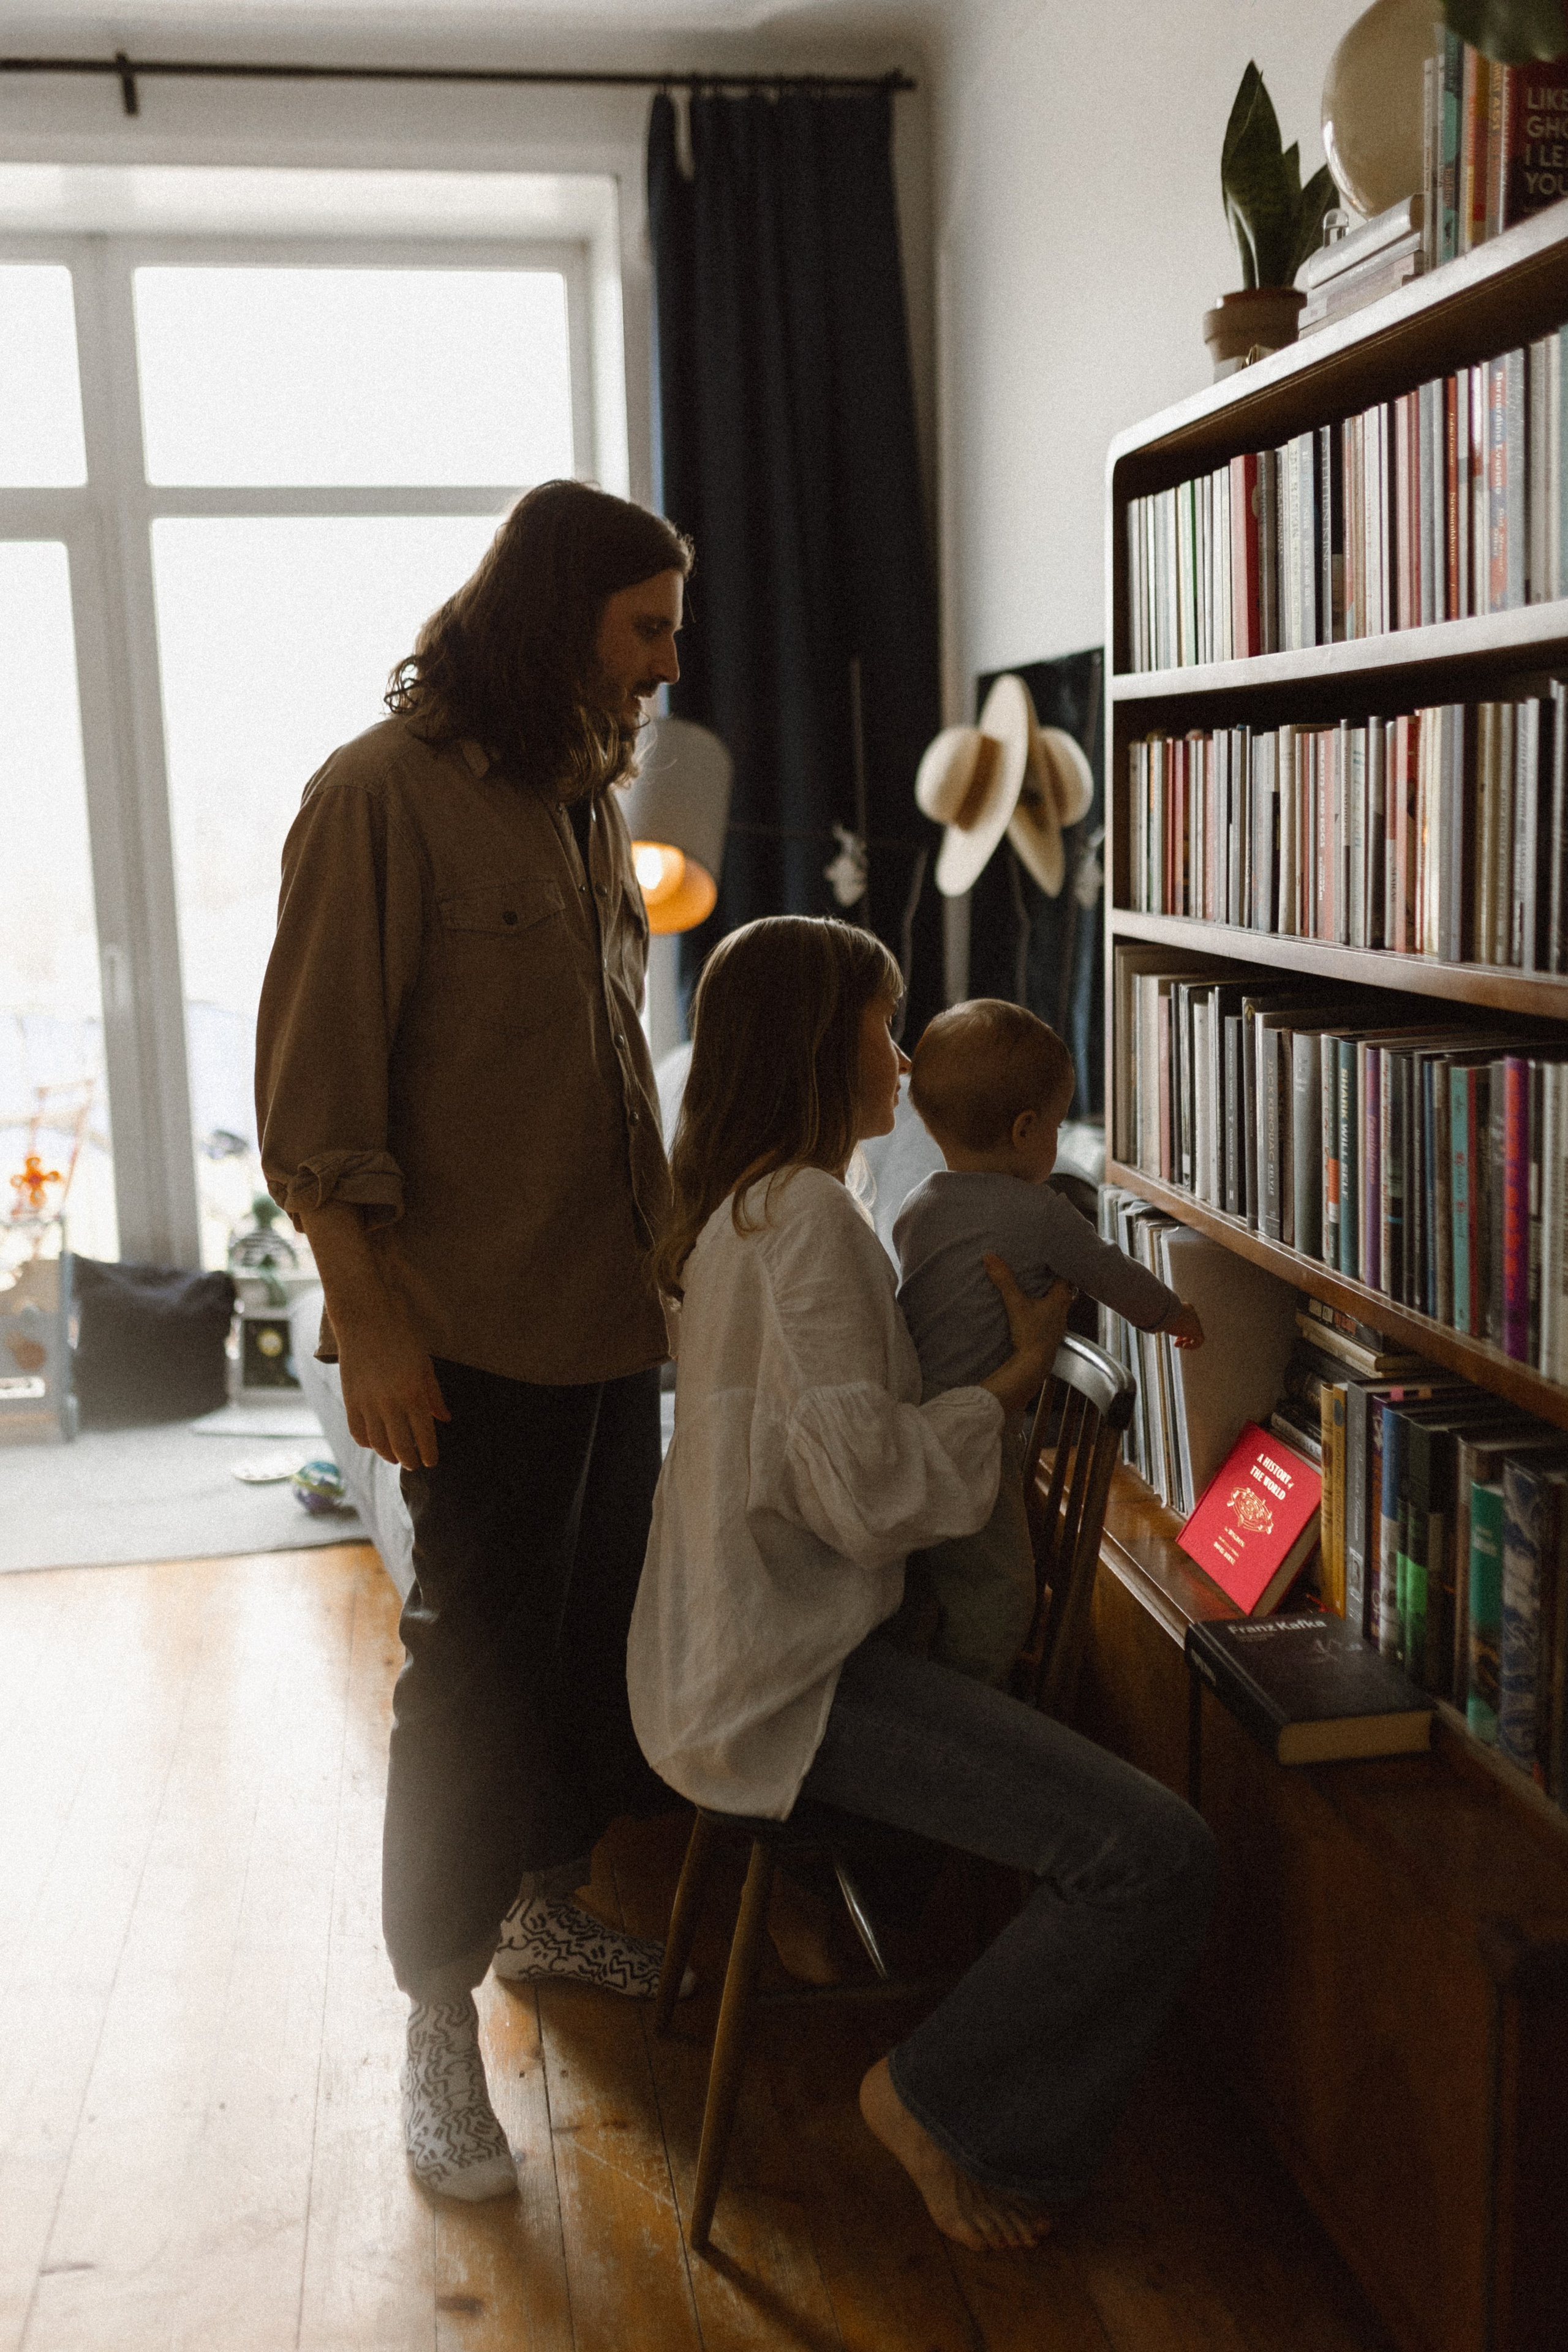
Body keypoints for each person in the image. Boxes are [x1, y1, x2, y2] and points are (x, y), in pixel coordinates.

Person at [627, 916, 1216, 2252]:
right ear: (814, 1048)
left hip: (717, 1649)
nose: (899, 1062)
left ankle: (867, 1954)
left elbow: (832, 1462)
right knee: (1154, 1853)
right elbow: (868, 1492)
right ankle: (937, 2100)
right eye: (879, 1030)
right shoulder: (816, 1223)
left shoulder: (740, 1205)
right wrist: (1006, 1388)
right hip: (790, 1674)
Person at [256, 480, 695, 2204]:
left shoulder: (587, 799)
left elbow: (610, 1066)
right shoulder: (373, 803)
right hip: (470, 1334)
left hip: (608, 1319)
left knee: (590, 1644)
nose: (667, 662)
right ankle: (437, 2024)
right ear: (555, 617)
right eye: (645, 628)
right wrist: (370, 1329)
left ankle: (536, 1907)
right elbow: (314, 1108)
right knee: (469, 1676)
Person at [891, 998, 1204, 1684]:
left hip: (913, 1407)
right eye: (1059, 1126)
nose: (1059, 1139)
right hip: (977, 1421)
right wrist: (1172, 1312)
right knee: (1000, 1590)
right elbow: (1106, 1270)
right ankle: (975, 1707)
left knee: (934, 1569)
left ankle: (922, 1674)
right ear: (1026, 1129)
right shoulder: (1040, 1213)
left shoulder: (919, 1205)